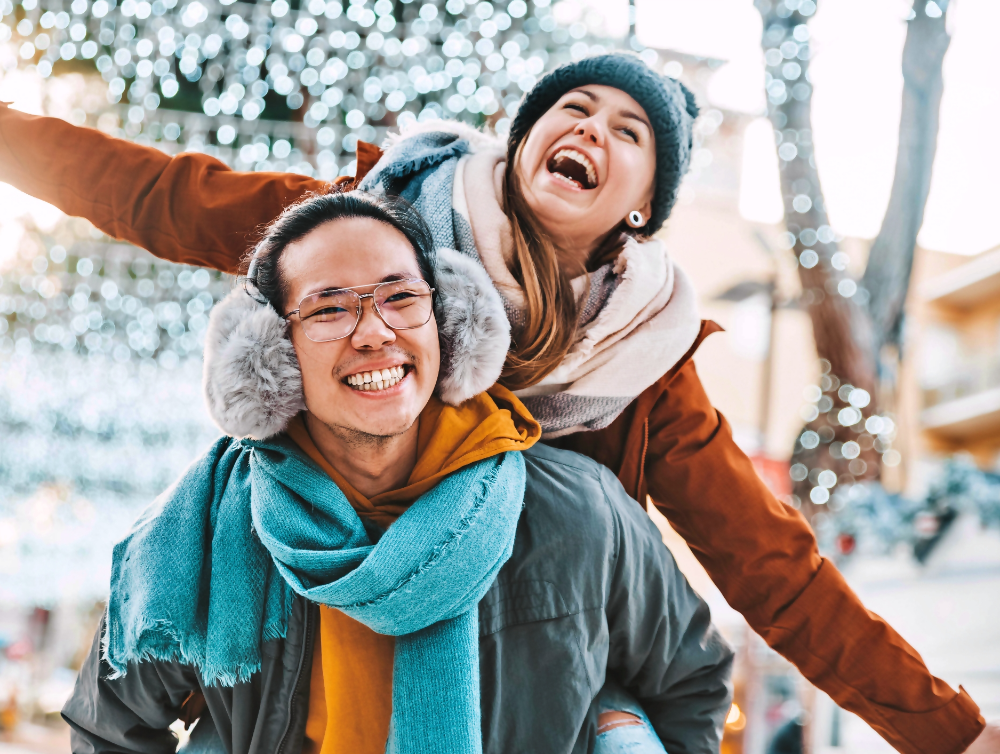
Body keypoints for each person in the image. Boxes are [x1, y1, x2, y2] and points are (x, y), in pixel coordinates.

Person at [2, 53, 993, 754]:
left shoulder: (645, 369)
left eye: (627, 128)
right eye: (571, 107)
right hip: (312, 636)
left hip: (514, 686)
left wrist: (947, 732)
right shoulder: (368, 232)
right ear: (524, 139)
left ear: (642, 203)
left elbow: (777, 575)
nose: (589, 129)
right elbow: (163, 193)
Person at [61, 191, 734, 754]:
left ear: (449, 322)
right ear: (273, 355)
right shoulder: (206, 529)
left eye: (400, 297)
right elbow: (108, 727)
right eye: (328, 308)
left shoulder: (579, 513)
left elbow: (692, 686)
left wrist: (622, 728)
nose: (375, 332)